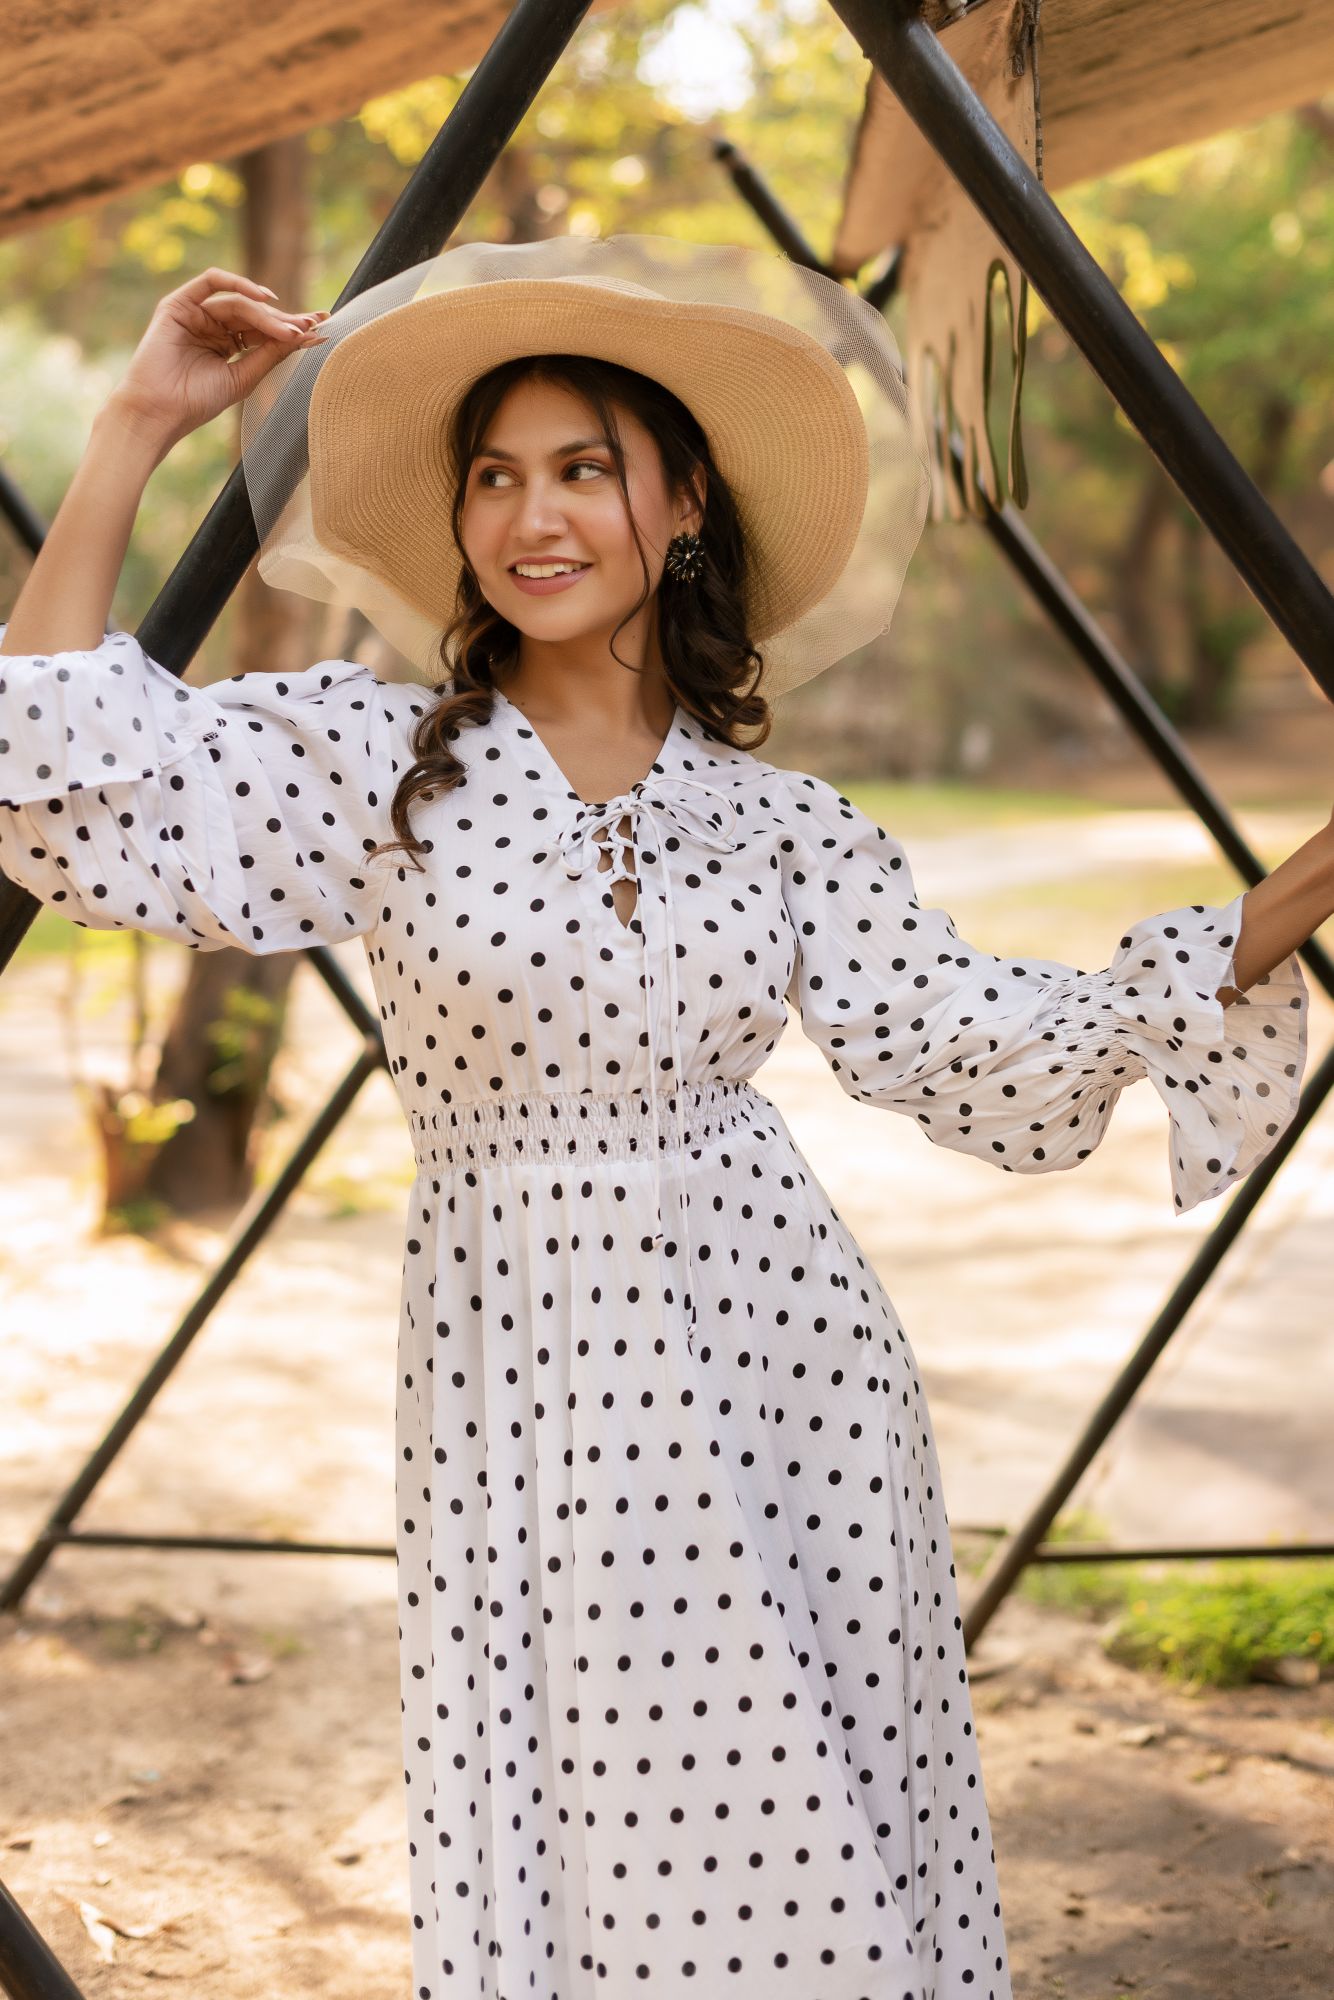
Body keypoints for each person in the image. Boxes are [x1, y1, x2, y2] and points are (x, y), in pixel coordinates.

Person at [0, 243, 1323, 2000]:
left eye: (580, 469)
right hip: (521, 1370)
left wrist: (1283, 898)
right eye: (493, 476)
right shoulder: (377, 763)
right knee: (599, 1816)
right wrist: (133, 429)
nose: (531, 518)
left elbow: (971, 1041)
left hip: (791, 1370)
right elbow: (56, 771)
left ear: (681, 503)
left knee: (825, 1804)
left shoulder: (785, 826)